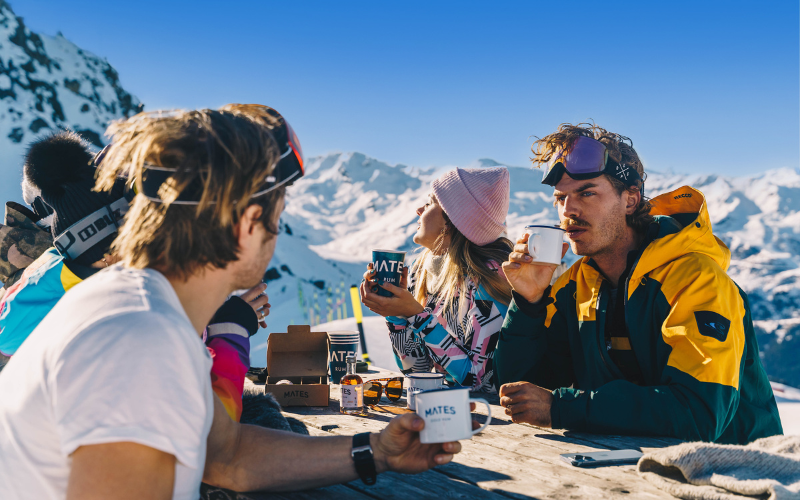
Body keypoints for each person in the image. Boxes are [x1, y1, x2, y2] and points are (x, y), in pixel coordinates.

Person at [0, 107, 463, 499]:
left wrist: (377, 451)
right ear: (244, 224)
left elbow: (225, 455)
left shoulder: (149, 312)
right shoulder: (138, 336)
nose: (278, 235)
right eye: (276, 216)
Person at [495, 123, 782, 444]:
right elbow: (521, 397)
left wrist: (563, 407)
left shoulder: (696, 280)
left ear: (630, 199)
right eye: (560, 197)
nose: (568, 210)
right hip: (627, 466)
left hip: (737, 471)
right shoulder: (576, 286)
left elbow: (700, 414)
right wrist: (528, 303)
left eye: (586, 193)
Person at [0, 131, 269, 424]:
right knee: (265, 420)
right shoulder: (115, 306)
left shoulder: (61, 276)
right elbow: (211, 418)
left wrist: (211, 316)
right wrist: (230, 328)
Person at [360, 167, 513, 392]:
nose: (418, 210)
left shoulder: (488, 278)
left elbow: (478, 381)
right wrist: (396, 313)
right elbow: (417, 370)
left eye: (430, 203)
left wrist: (416, 315)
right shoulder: (422, 270)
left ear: (452, 220)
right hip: (445, 408)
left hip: (489, 418)